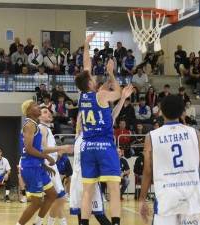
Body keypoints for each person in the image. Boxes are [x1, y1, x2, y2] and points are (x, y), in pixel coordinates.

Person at [139, 95, 200, 225]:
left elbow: (147, 171)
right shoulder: (195, 133)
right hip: (190, 197)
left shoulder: (151, 137)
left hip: (166, 197)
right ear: (182, 111)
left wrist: (142, 199)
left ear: (161, 111)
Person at [75, 33, 122, 225]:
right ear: (90, 83)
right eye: (93, 77)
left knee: (87, 191)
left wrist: (85, 45)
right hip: (103, 144)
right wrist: (111, 73)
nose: (95, 77)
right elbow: (117, 94)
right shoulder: (101, 95)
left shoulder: (81, 95)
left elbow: (86, 65)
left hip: (87, 146)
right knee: (114, 187)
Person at [16, 100, 57, 225]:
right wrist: (47, 157)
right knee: (36, 202)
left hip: (37, 166)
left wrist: (43, 164)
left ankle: (38, 222)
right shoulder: (29, 125)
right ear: (29, 110)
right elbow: (28, 149)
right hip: (30, 167)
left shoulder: (34, 124)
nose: (38, 107)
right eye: (35, 105)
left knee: (52, 195)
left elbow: (34, 148)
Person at [38, 107, 73, 225]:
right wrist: (62, 147)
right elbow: (42, 149)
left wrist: (58, 154)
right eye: (44, 112)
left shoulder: (46, 129)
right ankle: (49, 222)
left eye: (49, 112)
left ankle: (59, 222)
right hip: (47, 166)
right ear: (39, 117)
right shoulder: (42, 128)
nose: (48, 113)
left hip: (51, 165)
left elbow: (48, 151)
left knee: (57, 198)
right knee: (61, 197)